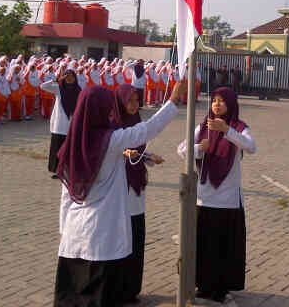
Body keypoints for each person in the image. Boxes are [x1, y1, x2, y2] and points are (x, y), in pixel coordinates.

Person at [53, 79, 186, 307]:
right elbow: (148, 129)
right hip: (103, 236)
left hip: (74, 237)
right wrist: (173, 100)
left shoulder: (71, 145)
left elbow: (66, 195)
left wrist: (64, 230)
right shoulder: (111, 140)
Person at [178, 87, 257, 303]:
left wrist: (227, 131)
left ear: (231, 104)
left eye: (222, 101)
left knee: (223, 247)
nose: (217, 105)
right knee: (204, 244)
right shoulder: (202, 126)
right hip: (204, 196)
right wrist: (198, 148)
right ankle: (203, 286)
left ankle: (221, 289)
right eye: (214, 100)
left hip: (227, 199)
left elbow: (251, 147)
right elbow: (181, 150)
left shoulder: (239, 127)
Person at [114, 84, 165, 302]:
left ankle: (131, 288)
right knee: (120, 239)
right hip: (117, 191)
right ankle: (117, 287)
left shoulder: (138, 123)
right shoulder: (112, 126)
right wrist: (122, 153)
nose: (134, 105)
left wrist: (149, 157)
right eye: (129, 101)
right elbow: (109, 151)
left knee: (135, 237)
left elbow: (139, 153)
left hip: (136, 189)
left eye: (137, 101)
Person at [41, 70, 81, 179]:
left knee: (70, 149)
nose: (69, 79)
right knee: (57, 148)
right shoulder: (58, 88)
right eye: (66, 76)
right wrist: (55, 80)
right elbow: (43, 86)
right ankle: (58, 171)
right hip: (59, 124)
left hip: (72, 123)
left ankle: (69, 171)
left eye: (71, 76)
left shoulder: (78, 90)